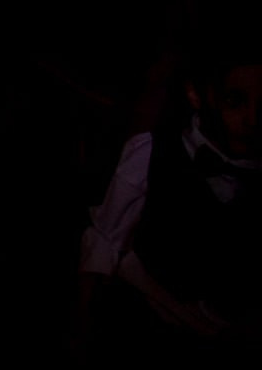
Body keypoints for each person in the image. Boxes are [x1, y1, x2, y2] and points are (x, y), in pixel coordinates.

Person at [78, 19, 261, 355]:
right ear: (199, 94)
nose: (253, 119)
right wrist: (83, 314)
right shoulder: (154, 151)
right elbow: (107, 233)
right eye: (236, 100)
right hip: (137, 311)